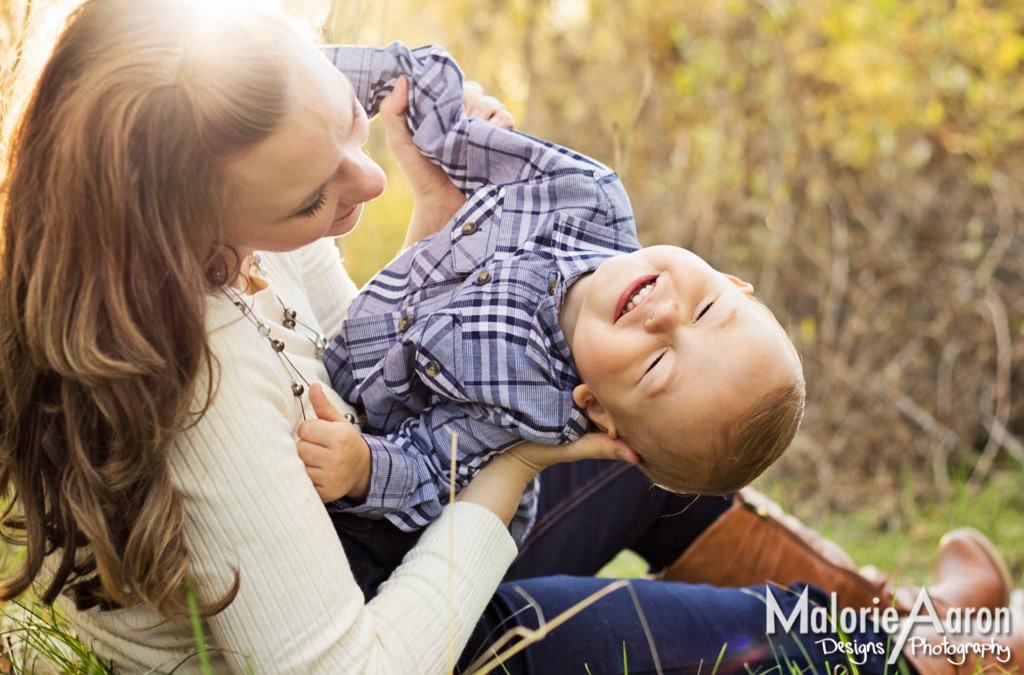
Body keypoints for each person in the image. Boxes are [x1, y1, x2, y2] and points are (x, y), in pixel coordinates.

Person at [0, 1, 1019, 673]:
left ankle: (914, 620)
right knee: (642, 628)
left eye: (351, 136)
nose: (364, 186)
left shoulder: (220, 221)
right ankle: (908, 657)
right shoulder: (199, 378)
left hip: (354, 532)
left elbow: (353, 359)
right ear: (183, 217)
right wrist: (512, 466)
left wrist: (438, 231)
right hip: (362, 637)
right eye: (318, 194)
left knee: (644, 443)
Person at [301, 42, 803, 597]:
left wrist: (362, 468)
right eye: (707, 310)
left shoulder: (525, 406)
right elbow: (446, 126)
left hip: (363, 495)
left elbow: (423, 465)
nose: (665, 317)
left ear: (595, 408)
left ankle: (871, 626)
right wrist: (303, 80)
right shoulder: (588, 197)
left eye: (659, 364)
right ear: (730, 279)